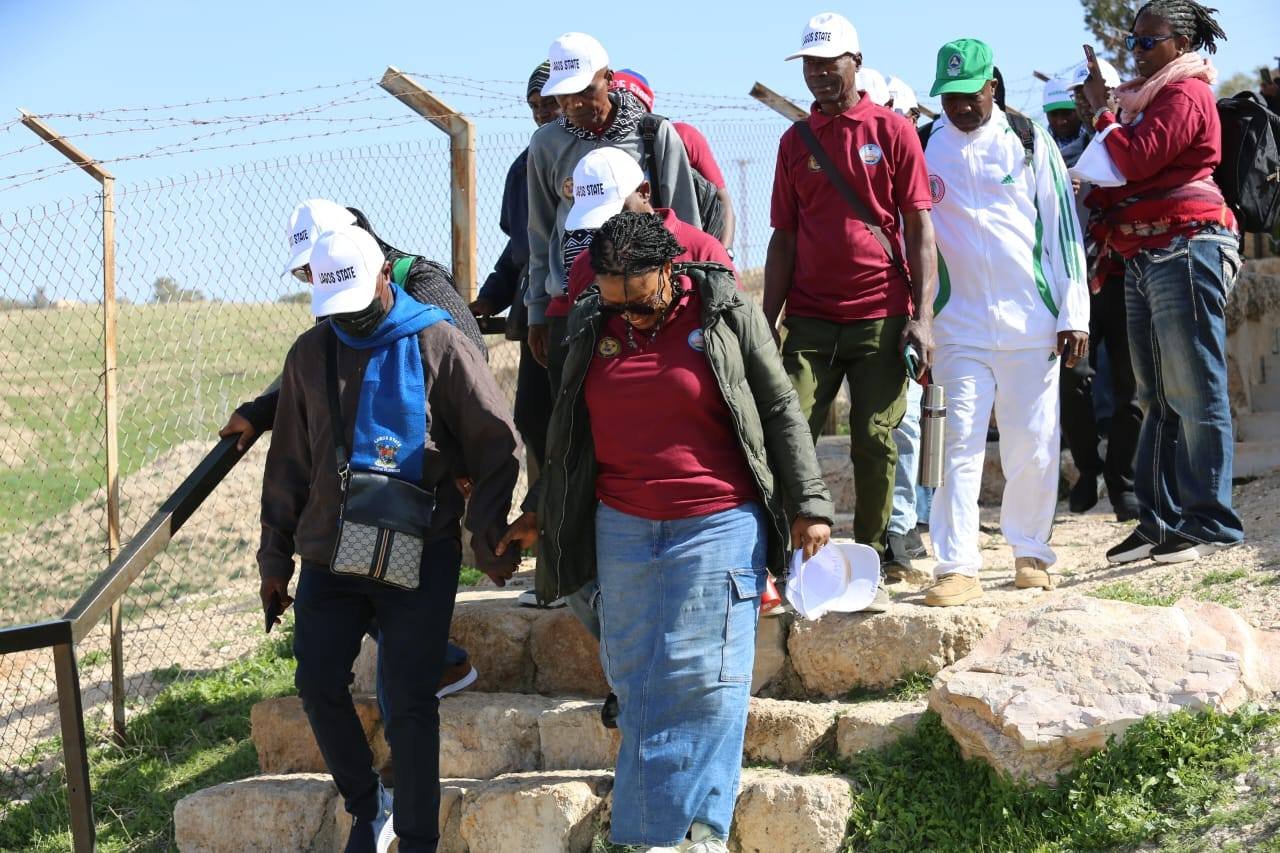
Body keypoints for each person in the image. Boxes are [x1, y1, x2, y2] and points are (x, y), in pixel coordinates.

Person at [522, 211, 832, 851]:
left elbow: (779, 407)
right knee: (635, 678)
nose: (629, 317)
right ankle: (665, 834)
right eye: (616, 304)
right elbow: (566, 432)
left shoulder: (723, 313)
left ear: (670, 270)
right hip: (622, 524)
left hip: (717, 519)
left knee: (707, 678)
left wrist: (809, 502)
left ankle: (688, 834)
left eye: (640, 302)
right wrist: (540, 508)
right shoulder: (591, 320)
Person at [258, 224, 521, 852]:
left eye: (356, 304)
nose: (349, 319)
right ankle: (365, 806)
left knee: (409, 700)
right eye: (336, 309)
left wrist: (486, 534)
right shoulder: (309, 354)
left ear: (384, 276)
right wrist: (274, 557)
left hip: (419, 547)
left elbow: (497, 443)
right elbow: (288, 462)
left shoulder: (437, 341)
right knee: (317, 683)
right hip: (330, 551)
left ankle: (418, 838)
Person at [219, 199, 481, 701]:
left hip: (423, 483)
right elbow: (326, 377)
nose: (316, 281)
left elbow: (467, 362)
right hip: (361, 484)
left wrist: (458, 458)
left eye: (316, 269)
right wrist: (260, 411)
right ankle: (425, 674)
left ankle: (436, 667)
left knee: (401, 644)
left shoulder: (420, 284)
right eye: (306, 274)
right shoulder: (340, 302)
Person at [765, 12, 936, 608]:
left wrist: (922, 318)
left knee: (875, 437)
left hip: (880, 315)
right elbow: (783, 238)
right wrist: (765, 321)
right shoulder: (794, 143)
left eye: (828, 62)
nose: (817, 73)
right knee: (790, 434)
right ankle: (783, 561)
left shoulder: (893, 130)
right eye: (809, 64)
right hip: (810, 320)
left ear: (855, 63)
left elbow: (920, 228)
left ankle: (870, 557)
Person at [920, 38, 1089, 606]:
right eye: (949, 97)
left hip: (1030, 322)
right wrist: (922, 319)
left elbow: (1063, 228)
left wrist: (1073, 312)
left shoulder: (1029, 139)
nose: (959, 107)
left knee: (1033, 445)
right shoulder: (924, 145)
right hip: (956, 326)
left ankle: (1030, 552)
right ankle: (956, 566)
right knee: (956, 446)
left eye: (969, 94)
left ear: (992, 85)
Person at [1080, 0, 1244, 565]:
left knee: (1195, 389)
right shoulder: (1145, 100)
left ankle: (1211, 522)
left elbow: (1136, 160)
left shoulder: (1185, 94)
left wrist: (1103, 115)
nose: (1137, 51)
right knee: (1155, 397)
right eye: (1134, 41)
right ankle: (1159, 522)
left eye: (1149, 42)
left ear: (1182, 44)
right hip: (1147, 253)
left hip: (1187, 248)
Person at [525, 32, 703, 378]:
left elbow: (685, 228)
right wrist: (537, 312)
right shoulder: (546, 144)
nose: (573, 104)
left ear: (608, 78)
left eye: (584, 91)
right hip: (571, 308)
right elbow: (541, 234)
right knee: (574, 409)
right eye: (563, 95)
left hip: (648, 306)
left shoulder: (653, 135)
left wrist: (689, 305)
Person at [1059, 57, 1143, 521]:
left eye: (1091, 91)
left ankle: (1122, 481)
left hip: (1128, 276)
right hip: (1078, 279)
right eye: (1077, 94)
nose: (1083, 101)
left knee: (1130, 387)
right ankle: (1088, 469)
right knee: (1073, 380)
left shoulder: (1132, 137)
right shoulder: (1057, 153)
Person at [470, 62, 561, 470]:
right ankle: (547, 501)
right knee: (532, 416)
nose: (542, 113)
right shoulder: (523, 168)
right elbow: (522, 247)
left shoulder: (594, 160)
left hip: (583, 306)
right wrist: (492, 296)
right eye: (534, 106)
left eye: (550, 103)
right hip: (536, 313)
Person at [609, 69, 737, 251]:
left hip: (686, 245)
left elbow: (722, 200)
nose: (624, 110)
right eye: (616, 101)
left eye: (631, 102)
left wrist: (725, 254)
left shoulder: (680, 135)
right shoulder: (597, 148)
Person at [1044, 75, 1088, 166]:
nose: (1061, 121)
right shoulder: (1040, 146)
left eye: (1067, 113)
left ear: (1078, 108)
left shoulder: (1096, 138)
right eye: (1053, 114)